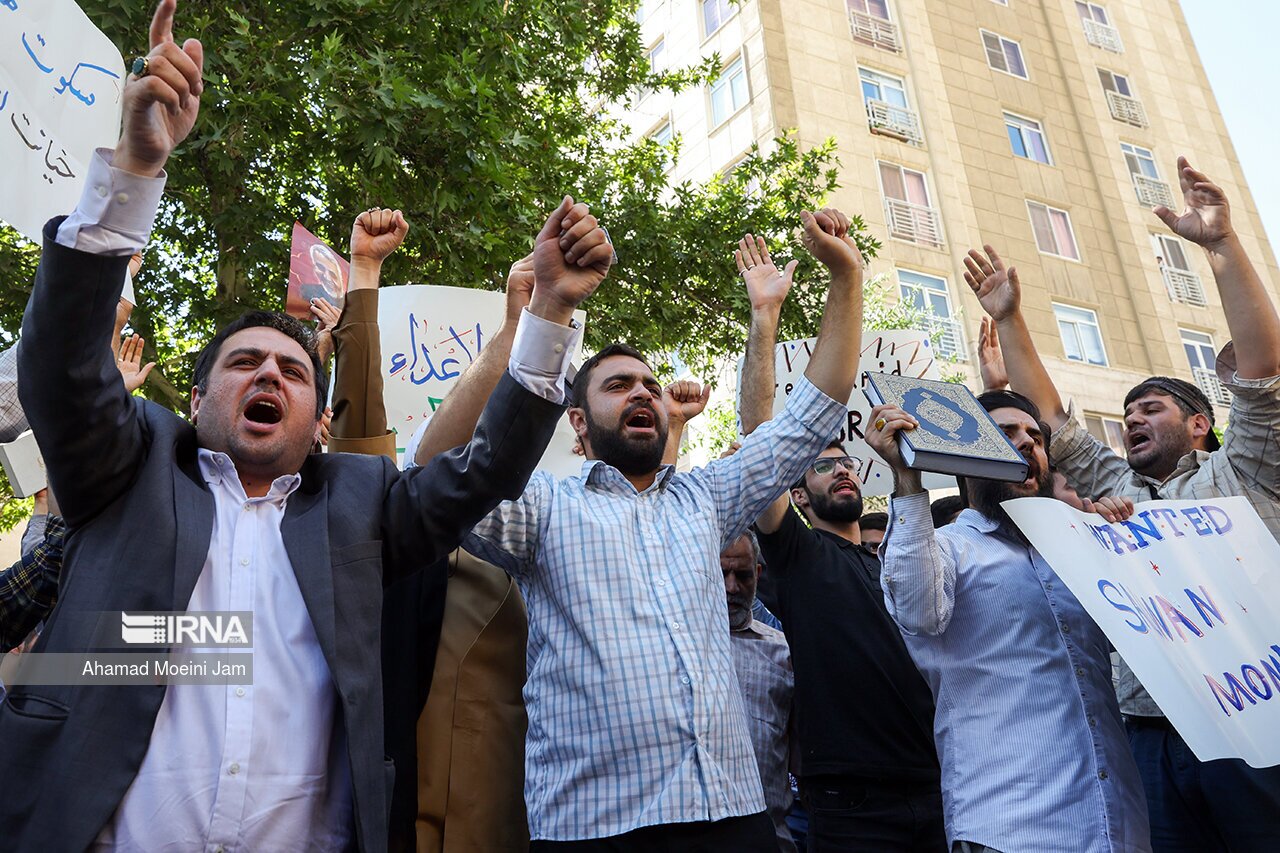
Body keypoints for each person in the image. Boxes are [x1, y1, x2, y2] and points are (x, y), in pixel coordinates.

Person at [0, 5, 606, 850]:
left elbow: (486, 469)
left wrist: (549, 315)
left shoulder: (363, 502)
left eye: (291, 371)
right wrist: (137, 167)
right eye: (243, 364)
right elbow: (61, 361)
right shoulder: (126, 467)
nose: (269, 376)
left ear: (317, 418)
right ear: (199, 397)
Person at [441, 209, 864, 849]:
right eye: (617, 385)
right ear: (578, 426)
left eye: (649, 383)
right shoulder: (545, 508)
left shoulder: (708, 496)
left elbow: (815, 411)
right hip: (598, 828)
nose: (643, 393)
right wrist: (527, 324)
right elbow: (438, 475)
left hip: (733, 815)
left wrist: (847, 277)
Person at [964, 156, 1280, 852]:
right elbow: (1046, 416)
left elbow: (1262, 376)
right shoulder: (1115, 487)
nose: (1133, 417)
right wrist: (1012, 319)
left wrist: (1222, 247)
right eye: (1128, 410)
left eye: (1153, 407)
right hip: (1147, 735)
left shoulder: (1246, 472)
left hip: (1255, 732)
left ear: (1200, 423)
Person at [867, 390, 1151, 853]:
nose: (1026, 444)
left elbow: (1148, 635)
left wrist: (1124, 546)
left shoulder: (1078, 551)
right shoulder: (947, 548)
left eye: (1035, 437)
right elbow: (918, 611)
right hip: (1010, 829)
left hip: (1117, 825)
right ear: (964, 459)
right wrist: (907, 477)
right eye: (1005, 434)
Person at [736, 232, 944, 851]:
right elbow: (759, 439)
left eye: (846, 461)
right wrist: (764, 319)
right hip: (851, 810)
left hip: (940, 788)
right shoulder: (798, 559)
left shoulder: (901, 563)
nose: (843, 469)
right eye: (822, 466)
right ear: (797, 495)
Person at [721, 532, 797, 853]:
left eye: (743, 575)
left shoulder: (783, 653)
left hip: (770, 836)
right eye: (721, 573)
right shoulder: (668, 648)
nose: (731, 588)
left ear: (759, 574)